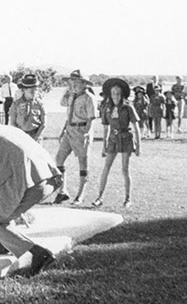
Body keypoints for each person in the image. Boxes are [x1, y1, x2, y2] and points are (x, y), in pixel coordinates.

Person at [0, 110, 60, 277]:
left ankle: (38, 253)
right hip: (49, 178)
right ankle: (5, 243)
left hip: (29, 184)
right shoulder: (8, 129)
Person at [93, 78, 141, 208]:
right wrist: (103, 146)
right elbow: (105, 128)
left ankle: (128, 199)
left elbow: (136, 127)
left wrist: (138, 146)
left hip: (126, 139)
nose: (116, 96)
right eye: (113, 93)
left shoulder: (128, 107)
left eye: (118, 93)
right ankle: (99, 197)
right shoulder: (106, 108)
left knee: (125, 169)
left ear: (122, 94)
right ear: (110, 94)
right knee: (106, 167)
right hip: (113, 139)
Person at [55, 70, 97, 205]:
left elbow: (91, 118)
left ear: (84, 84)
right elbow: (63, 104)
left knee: (83, 163)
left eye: (77, 82)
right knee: (59, 159)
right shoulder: (71, 96)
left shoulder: (89, 97)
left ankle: (80, 195)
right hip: (69, 130)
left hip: (82, 130)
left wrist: (87, 133)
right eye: (72, 82)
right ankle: (63, 191)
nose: (74, 85)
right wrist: (63, 130)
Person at [8, 74, 46, 141]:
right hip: (20, 136)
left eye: (36, 90)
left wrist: (36, 137)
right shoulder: (16, 104)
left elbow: (43, 123)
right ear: (24, 90)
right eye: (32, 90)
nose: (35, 92)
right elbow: (13, 123)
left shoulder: (40, 104)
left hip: (35, 135)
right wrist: (20, 136)